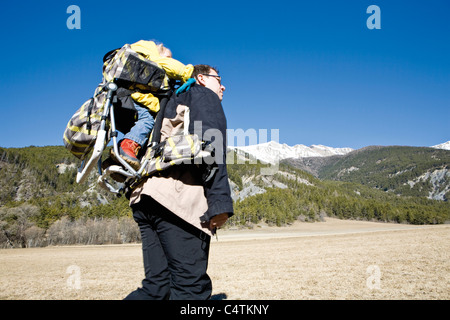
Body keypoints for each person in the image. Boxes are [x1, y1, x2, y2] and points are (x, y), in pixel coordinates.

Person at [124, 64, 233, 300]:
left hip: (145, 197)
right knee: (190, 288)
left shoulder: (163, 102)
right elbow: (212, 146)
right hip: (177, 200)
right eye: (219, 79)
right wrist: (219, 204)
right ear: (201, 78)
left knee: (156, 288)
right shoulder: (202, 94)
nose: (223, 85)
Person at [112, 40, 194, 170]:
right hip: (132, 96)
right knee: (147, 120)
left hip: (120, 97)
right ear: (160, 51)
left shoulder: (134, 55)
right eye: (169, 57)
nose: (170, 59)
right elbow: (172, 67)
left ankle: (116, 160)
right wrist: (189, 73)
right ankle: (127, 146)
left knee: (139, 128)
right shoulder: (152, 55)